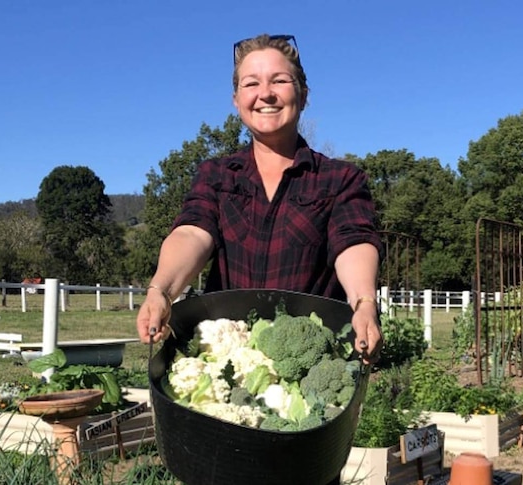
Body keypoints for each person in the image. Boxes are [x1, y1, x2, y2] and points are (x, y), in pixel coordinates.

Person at [135, 33, 383, 364]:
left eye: (279, 80)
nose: (265, 93)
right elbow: (192, 232)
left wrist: (364, 301)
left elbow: (352, 242)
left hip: (310, 365)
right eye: (251, 84)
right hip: (227, 359)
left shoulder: (340, 179)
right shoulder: (217, 176)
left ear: (303, 94)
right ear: (236, 100)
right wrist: (160, 290)